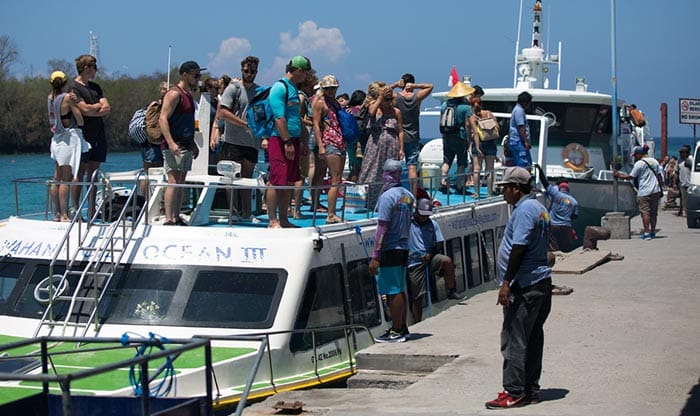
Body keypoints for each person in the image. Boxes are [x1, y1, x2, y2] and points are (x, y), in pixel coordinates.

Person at [486, 166, 552, 409]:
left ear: (516, 188)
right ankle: (530, 389)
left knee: (515, 339)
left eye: (506, 188)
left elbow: (519, 247)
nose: (503, 193)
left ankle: (513, 391)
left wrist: (506, 283)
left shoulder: (524, 210)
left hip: (525, 285)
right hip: (540, 282)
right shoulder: (539, 207)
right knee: (533, 338)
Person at [370, 159, 415, 343]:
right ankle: (402, 326)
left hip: (390, 248)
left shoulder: (387, 197)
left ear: (385, 174)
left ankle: (396, 330)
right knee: (399, 288)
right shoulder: (408, 195)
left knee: (391, 290)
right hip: (404, 247)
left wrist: (375, 256)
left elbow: (382, 228)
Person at [266, 55, 312, 229]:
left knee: (289, 181)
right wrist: (286, 142)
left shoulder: (294, 88)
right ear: (299, 71)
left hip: (293, 139)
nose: (306, 77)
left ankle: (284, 219)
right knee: (277, 181)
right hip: (280, 140)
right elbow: (279, 117)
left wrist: (301, 141)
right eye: (306, 73)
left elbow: (296, 118)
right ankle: (272, 220)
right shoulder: (280, 87)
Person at [214, 56, 261, 221]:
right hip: (233, 140)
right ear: (242, 70)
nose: (249, 74)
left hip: (252, 142)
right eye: (246, 71)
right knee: (231, 179)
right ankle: (232, 213)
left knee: (247, 179)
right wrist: (243, 124)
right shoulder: (233, 88)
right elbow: (223, 112)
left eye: (253, 71)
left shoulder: (259, 91)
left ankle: (247, 214)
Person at [159, 60, 203, 226]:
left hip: (186, 143)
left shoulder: (188, 96)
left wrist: (192, 144)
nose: (198, 79)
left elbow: (188, 122)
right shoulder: (174, 94)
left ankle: (176, 216)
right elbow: (163, 118)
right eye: (195, 75)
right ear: (185, 75)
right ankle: (169, 218)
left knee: (182, 181)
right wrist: (170, 142)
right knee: (173, 180)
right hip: (174, 144)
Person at [71, 54, 111, 217]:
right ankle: (75, 208)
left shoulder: (96, 87)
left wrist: (91, 109)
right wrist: (95, 108)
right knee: (80, 173)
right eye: (95, 67)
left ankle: (92, 210)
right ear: (86, 68)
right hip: (83, 136)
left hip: (98, 135)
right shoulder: (74, 89)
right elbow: (83, 110)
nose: (96, 70)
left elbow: (107, 107)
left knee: (93, 174)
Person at [407, 198, 459, 323]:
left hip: (430, 258)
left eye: (427, 216)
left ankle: (451, 290)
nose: (424, 218)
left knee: (446, 261)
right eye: (422, 215)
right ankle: (417, 322)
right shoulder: (408, 223)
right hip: (414, 262)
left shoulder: (432, 224)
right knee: (418, 296)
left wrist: (431, 253)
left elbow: (440, 243)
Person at [47, 70, 89, 222]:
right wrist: (75, 101)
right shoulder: (67, 98)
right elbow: (80, 120)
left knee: (56, 177)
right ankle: (65, 214)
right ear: (64, 82)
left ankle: (56, 213)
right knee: (66, 178)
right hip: (67, 140)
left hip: (56, 140)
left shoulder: (50, 97)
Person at [358, 82, 404, 210]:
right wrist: (380, 98)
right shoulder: (374, 106)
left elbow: (400, 131)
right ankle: (366, 201)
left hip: (391, 144)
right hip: (375, 144)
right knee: (371, 171)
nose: (389, 102)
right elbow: (371, 113)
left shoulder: (396, 112)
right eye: (386, 99)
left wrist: (401, 148)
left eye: (390, 99)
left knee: (389, 173)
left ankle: (385, 202)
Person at [312, 75, 346, 224]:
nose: (331, 91)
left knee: (337, 178)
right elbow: (316, 124)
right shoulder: (320, 102)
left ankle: (331, 211)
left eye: (333, 88)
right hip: (330, 141)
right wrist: (320, 145)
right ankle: (331, 214)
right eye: (328, 88)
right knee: (335, 178)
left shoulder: (335, 102)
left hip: (339, 141)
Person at [393, 74, 433, 195]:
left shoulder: (395, 97)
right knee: (412, 167)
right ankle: (414, 194)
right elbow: (430, 86)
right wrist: (415, 86)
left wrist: (395, 84)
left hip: (397, 136)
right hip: (413, 135)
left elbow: (381, 92)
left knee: (394, 166)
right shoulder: (417, 97)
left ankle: (394, 192)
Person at [613, 145, 663, 240]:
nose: (634, 157)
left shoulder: (639, 164)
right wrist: (660, 188)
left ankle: (647, 233)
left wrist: (618, 175)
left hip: (644, 191)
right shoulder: (655, 161)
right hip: (655, 190)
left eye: (635, 155)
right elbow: (659, 176)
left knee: (645, 212)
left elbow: (631, 176)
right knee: (653, 213)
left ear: (640, 154)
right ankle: (653, 231)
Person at [438, 81, 473, 194]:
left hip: (447, 136)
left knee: (447, 161)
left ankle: (443, 182)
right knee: (461, 162)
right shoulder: (466, 107)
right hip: (460, 136)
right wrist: (469, 139)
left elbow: (441, 121)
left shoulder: (444, 105)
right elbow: (467, 125)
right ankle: (459, 186)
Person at [535, 164, 579, 252]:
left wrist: (540, 171)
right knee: (566, 249)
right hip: (566, 227)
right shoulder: (574, 202)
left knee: (554, 249)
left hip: (554, 226)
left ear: (559, 188)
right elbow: (575, 216)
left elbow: (545, 183)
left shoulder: (556, 195)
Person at [139, 81, 168, 197]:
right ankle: (147, 201)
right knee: (149, 173)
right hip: (153, 144)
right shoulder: (157, 106)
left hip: (152, 144)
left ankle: (150, 200)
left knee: (149, 173)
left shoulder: (155, 105)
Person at [468, 97, 499, 198]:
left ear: (472, 106)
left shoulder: (472, 117)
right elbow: (497, 127)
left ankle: (477, 193)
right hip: (491, 143)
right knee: (490, 170)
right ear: (481, 104)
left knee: (477, 169)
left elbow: (476, 133)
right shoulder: (489, 114)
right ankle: (489, 194)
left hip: (480, 143)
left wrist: (477, 148)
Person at [345, 89, 367, 183]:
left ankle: (348, 188)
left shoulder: (347, 110)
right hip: (361, 141)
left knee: (353, 166)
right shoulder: (364, 110)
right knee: (358, 168)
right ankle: (353, 190)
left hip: (349, 140)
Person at [508, 91, 533, 168]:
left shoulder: (516, 109)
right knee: (524, 163)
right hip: (519, 141)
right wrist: (526, 141)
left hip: (516, 141)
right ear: (525, 102)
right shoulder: (519, 111)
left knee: (525, 163)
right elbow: (521, 127)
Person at [678, 145, 692, 217]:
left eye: (682, 152)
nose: (680, 154)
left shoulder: (691, 160)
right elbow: (677, 172)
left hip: (690, 183)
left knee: (690, 199)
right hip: (682, 183)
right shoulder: (680, 161)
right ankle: (685, 212)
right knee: (683, 199)